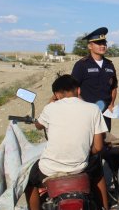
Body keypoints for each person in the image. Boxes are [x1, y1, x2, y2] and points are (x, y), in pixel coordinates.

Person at [25, 74, 109, 210]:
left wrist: (51, 101)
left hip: (49, 170)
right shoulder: (93, 109)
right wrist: (87, 151)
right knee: (98, 171)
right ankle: (105, 207)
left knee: (29, 181)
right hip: (79, 169)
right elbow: (98, 147)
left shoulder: (50, 108)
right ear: (79, 90)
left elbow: (38, 125)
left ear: (57, 94)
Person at [71, 27, 118, 132]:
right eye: (98, 43)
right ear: (90, 46)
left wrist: (111, 104)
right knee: (87, 143)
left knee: (105, 143)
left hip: (105, 113)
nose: (102, 46)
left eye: (104, 43)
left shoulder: (109, 65)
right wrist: (85, 108)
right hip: (86, 113)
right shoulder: (81, 65)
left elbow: (113, 87)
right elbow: (72, 89)